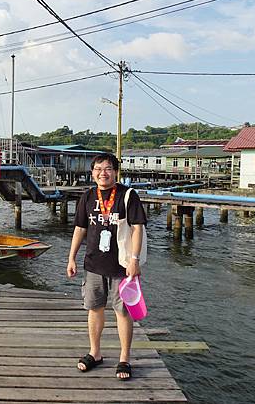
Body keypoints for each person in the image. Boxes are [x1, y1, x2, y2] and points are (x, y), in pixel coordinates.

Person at [66, 152, 147, 381]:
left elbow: (137, 228)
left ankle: (124, 357)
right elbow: (80, 228)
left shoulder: (127, 195)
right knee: (94, 309)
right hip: (93, 264)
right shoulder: (88, 196)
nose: (103, 173)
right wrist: (71, 257)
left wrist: (134, 259)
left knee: (123, 312)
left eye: (108, 168)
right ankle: (95, 352)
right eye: (98, 168)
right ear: (92, 172)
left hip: (122, 266)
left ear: (116, 172)